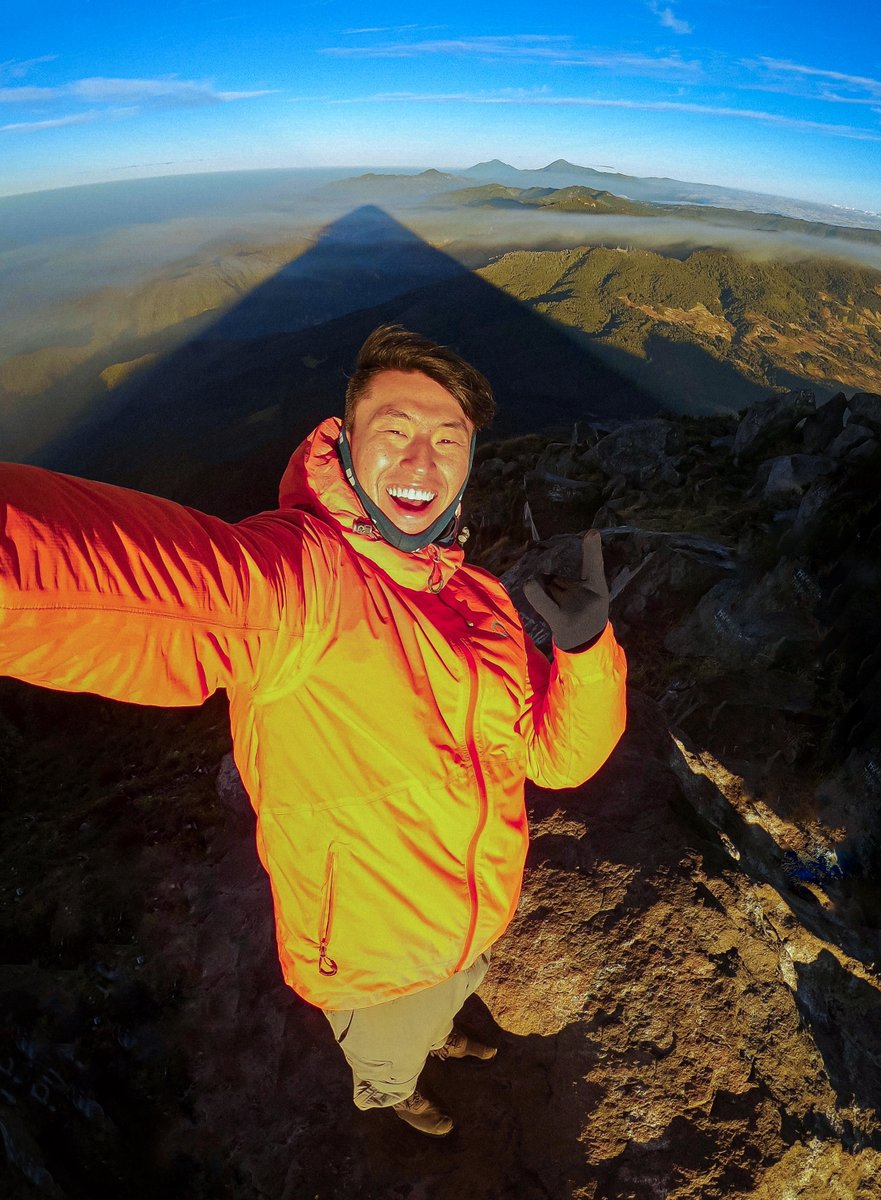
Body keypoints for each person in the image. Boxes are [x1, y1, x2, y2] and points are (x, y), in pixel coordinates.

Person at [0, 324, 627, 1136]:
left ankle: (438, 1034)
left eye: (448, 441)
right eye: (394, 433)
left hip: (475, 922)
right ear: (345, 444)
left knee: (452, 994)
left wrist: (584, 652)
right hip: (368, 962)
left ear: (469, 467)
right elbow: (100, 580)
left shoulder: (482, 604)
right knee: (386, 1053)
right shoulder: (303, 586)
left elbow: (559, 759)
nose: (421, 463)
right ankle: (396, 1092)